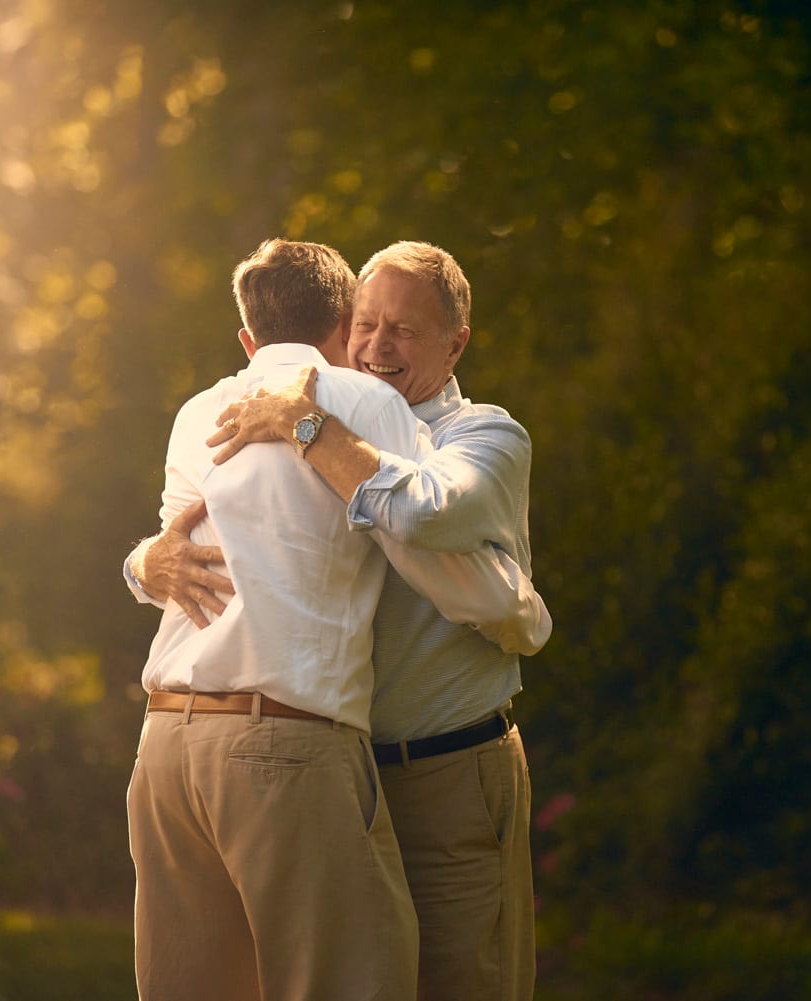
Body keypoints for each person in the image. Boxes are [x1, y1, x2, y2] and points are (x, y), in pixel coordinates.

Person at [123, 238, 549, 1001]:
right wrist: (143, 563)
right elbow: (202, 532)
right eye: (365, 323)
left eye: (404, 330)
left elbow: (425, 522)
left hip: (444, 769)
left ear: (455, 343)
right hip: (318, 764)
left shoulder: (481, 436)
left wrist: (312, 428)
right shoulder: (302, 409)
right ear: (339, 323)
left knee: (460, 983)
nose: (377, 345)